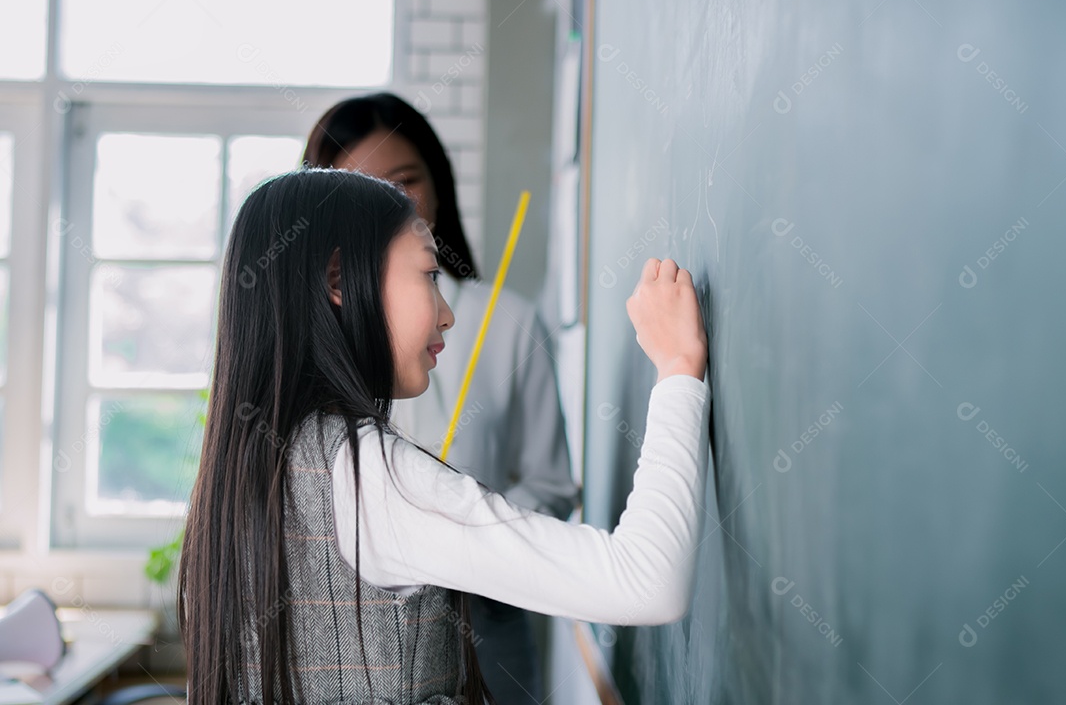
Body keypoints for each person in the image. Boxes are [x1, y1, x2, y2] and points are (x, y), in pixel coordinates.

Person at [178, 169, 710, 704]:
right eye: (429, 274)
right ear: (338, 281)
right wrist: (679, 369)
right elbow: (646, 581)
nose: (449, 314)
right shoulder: (373, 477)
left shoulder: (253, 464)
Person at [302, 93, 578, 702]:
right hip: (357, 651)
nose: (387, 207)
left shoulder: (506, 321)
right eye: (362, 190)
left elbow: (554, 486)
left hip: (488, 636)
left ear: (438, 186)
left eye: (405, 185)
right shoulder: (313, 337)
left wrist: (471, 537)